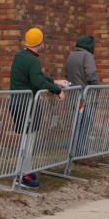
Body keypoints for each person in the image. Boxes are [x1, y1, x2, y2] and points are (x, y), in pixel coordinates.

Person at [9, 27, 70, 188]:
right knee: (28, 141)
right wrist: (57, 90)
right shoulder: (33, 60)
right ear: (39, 43)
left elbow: (37, 77)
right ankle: (22, 176)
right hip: (27, 104)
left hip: (18, 103)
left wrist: (55, 81)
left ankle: (26, 170)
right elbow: (37, 81)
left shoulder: (21, 56)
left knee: (27, 139)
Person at [64, 36, 100, 159]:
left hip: (74, 97)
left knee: (77, 126)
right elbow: (91, 75)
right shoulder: (87, 56)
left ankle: (74, 152)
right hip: (87, 97)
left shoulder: (71, 56)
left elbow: (67, 75)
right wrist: (97, 88)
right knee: (85, 127)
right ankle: (81, 153)